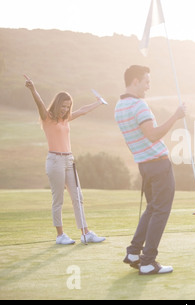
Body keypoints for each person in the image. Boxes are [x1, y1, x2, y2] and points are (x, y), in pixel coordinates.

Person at [116, 65, 186, 275]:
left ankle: (134, 252)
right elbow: (153, 135)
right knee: (160, 211)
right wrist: (176, 116)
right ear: (135, 81)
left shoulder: (119, 106)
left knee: (152, 209)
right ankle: (147, 261)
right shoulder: (139, 106)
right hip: (157, 163)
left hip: (144, 165)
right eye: (146, 81)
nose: (148, 86)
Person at [24, 75, 106, 245]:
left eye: (68, 107)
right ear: (57, 104)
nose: (65, 109)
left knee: (78, 197)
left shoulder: (66, 118)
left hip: (69, 160)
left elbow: (83, 110)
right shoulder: (47, 117)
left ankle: (85, 233)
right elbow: (39, 104)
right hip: (55, 161)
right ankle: (60, 235)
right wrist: (33, 90)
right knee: (58, 199)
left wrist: (98, 102)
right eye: (63, 106)